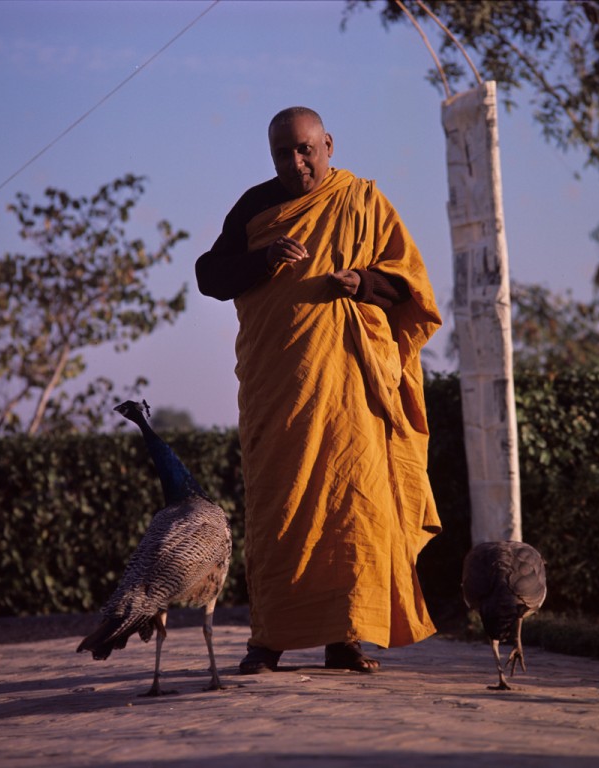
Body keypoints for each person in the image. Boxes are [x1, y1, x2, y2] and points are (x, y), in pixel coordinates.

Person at [195, 106, 442, 674]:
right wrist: (264, 258)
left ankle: (345, 639)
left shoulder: (363, 202)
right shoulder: (256, 207)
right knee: (279, 511)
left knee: (353, 507)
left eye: (305, 149)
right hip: (278, 390)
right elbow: (210, 275)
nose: (296, 162)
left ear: (328, 144)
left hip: (350, 390)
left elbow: (411, 287)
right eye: (283, 153)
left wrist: (363, 282)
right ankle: (269, 641)